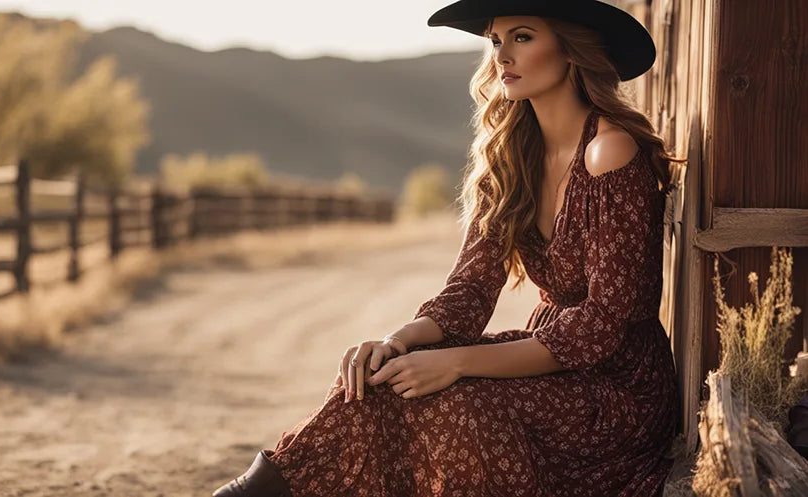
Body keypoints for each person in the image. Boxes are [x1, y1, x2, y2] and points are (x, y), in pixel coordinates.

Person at [211, 0, 681, 495]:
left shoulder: (610, 152)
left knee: (456, 403)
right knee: (382, 380)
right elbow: (471, 287)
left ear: (571, 49)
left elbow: (600, 327)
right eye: (495, 41)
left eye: (522, 37)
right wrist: (401, 341)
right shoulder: (511, 159)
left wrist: (455, 361)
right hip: (550, 363)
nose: (502, 55)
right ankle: (257, 491)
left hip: (618, 388)